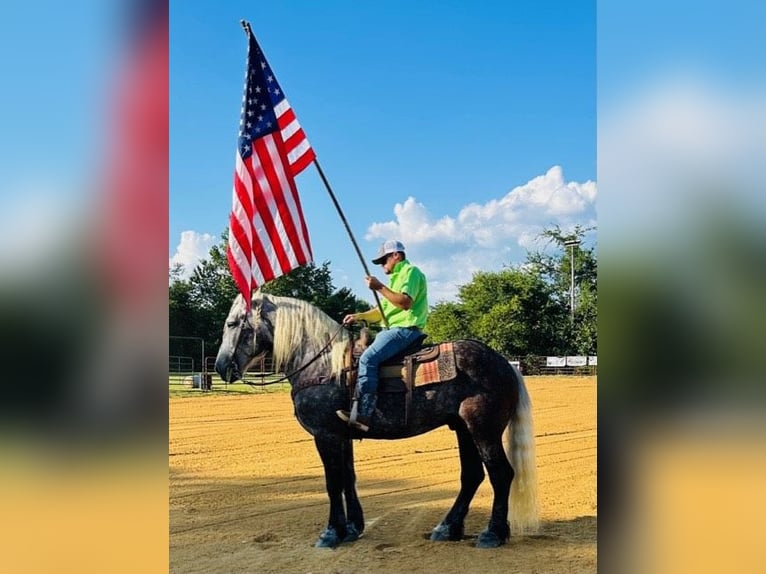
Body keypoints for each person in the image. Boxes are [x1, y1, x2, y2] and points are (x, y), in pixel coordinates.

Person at [337, 240, 428, 431]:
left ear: (396, 255)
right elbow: (381, 312)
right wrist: (359, 316)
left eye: (383, 260)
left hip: (404, 329)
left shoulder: (410, 272)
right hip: (391, 330)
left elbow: (404, 302)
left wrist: (379, 287)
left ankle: (364, 414)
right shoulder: (395, 278)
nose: (382, 265)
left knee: (368, 359)